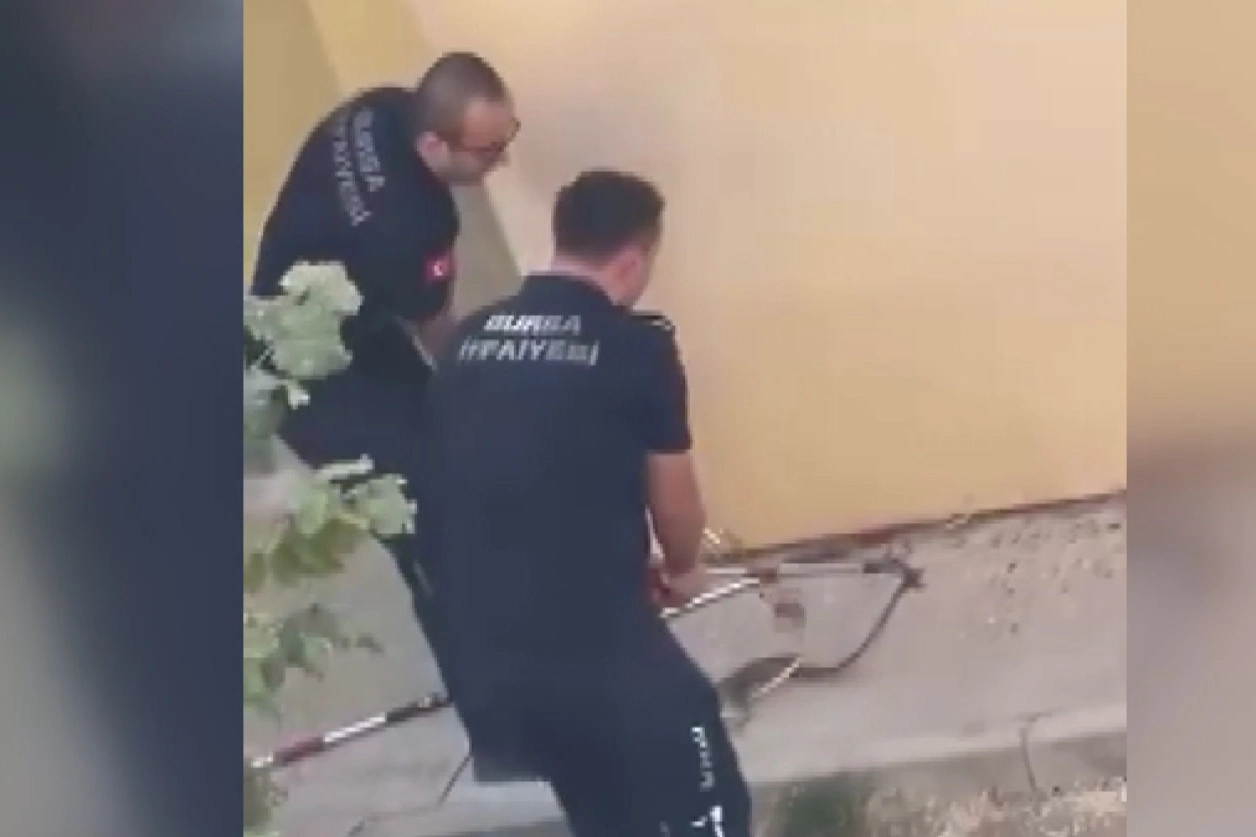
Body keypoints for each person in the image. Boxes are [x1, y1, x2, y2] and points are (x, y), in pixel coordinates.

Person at [418, 170, 753, 835]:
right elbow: (674, 501)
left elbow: (498, 472)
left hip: (490, 657)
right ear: (632, 260)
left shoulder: (468, 341)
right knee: (705, 788)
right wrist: (683, 567)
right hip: (597, 651)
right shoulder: (637, 347)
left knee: (605, 813)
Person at [248, 53, 518, 668]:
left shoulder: (379, 108)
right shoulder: (415, 222)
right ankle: (482, 682)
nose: (501, 161)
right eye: (489, 151)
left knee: (451, 458)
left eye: (507, 139)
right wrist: (489, 395)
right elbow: (436, 330)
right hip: (304, 378)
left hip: (328, 322)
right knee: (417, 515)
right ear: (433, 144)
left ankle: (502, 621)